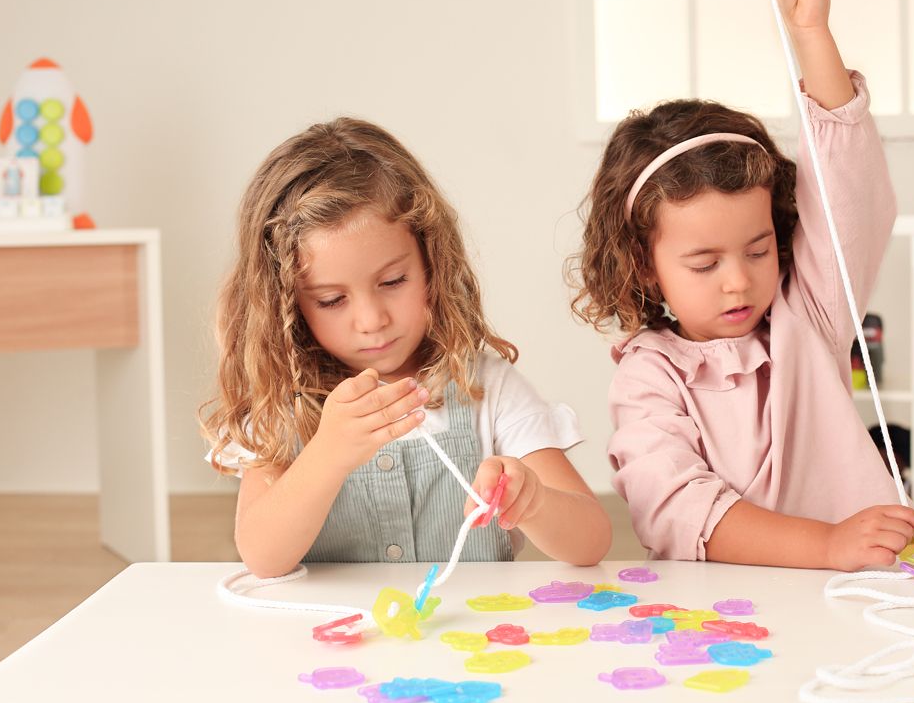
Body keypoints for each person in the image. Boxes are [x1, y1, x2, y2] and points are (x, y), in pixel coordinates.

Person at [568, 0, 914, 569]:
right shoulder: (650, 376)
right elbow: (675, 508)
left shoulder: (807, 315)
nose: (738, 281)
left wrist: (811, 35)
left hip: (857, 596)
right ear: (644, 265)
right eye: (704, 264)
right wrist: (825, 544)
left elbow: (848, 192)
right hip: (721, 613)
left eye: (758, 250)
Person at [202, 118, 611, 578]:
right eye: (332, 300)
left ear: (432, 262)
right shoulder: (282, 404)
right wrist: (328, 453)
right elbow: (262, 557)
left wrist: (534, 501)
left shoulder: (486, 390)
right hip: (336, 626)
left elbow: (591, 541)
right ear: (288, 304)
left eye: (393, 281)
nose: (372, 320)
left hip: (467, 624)